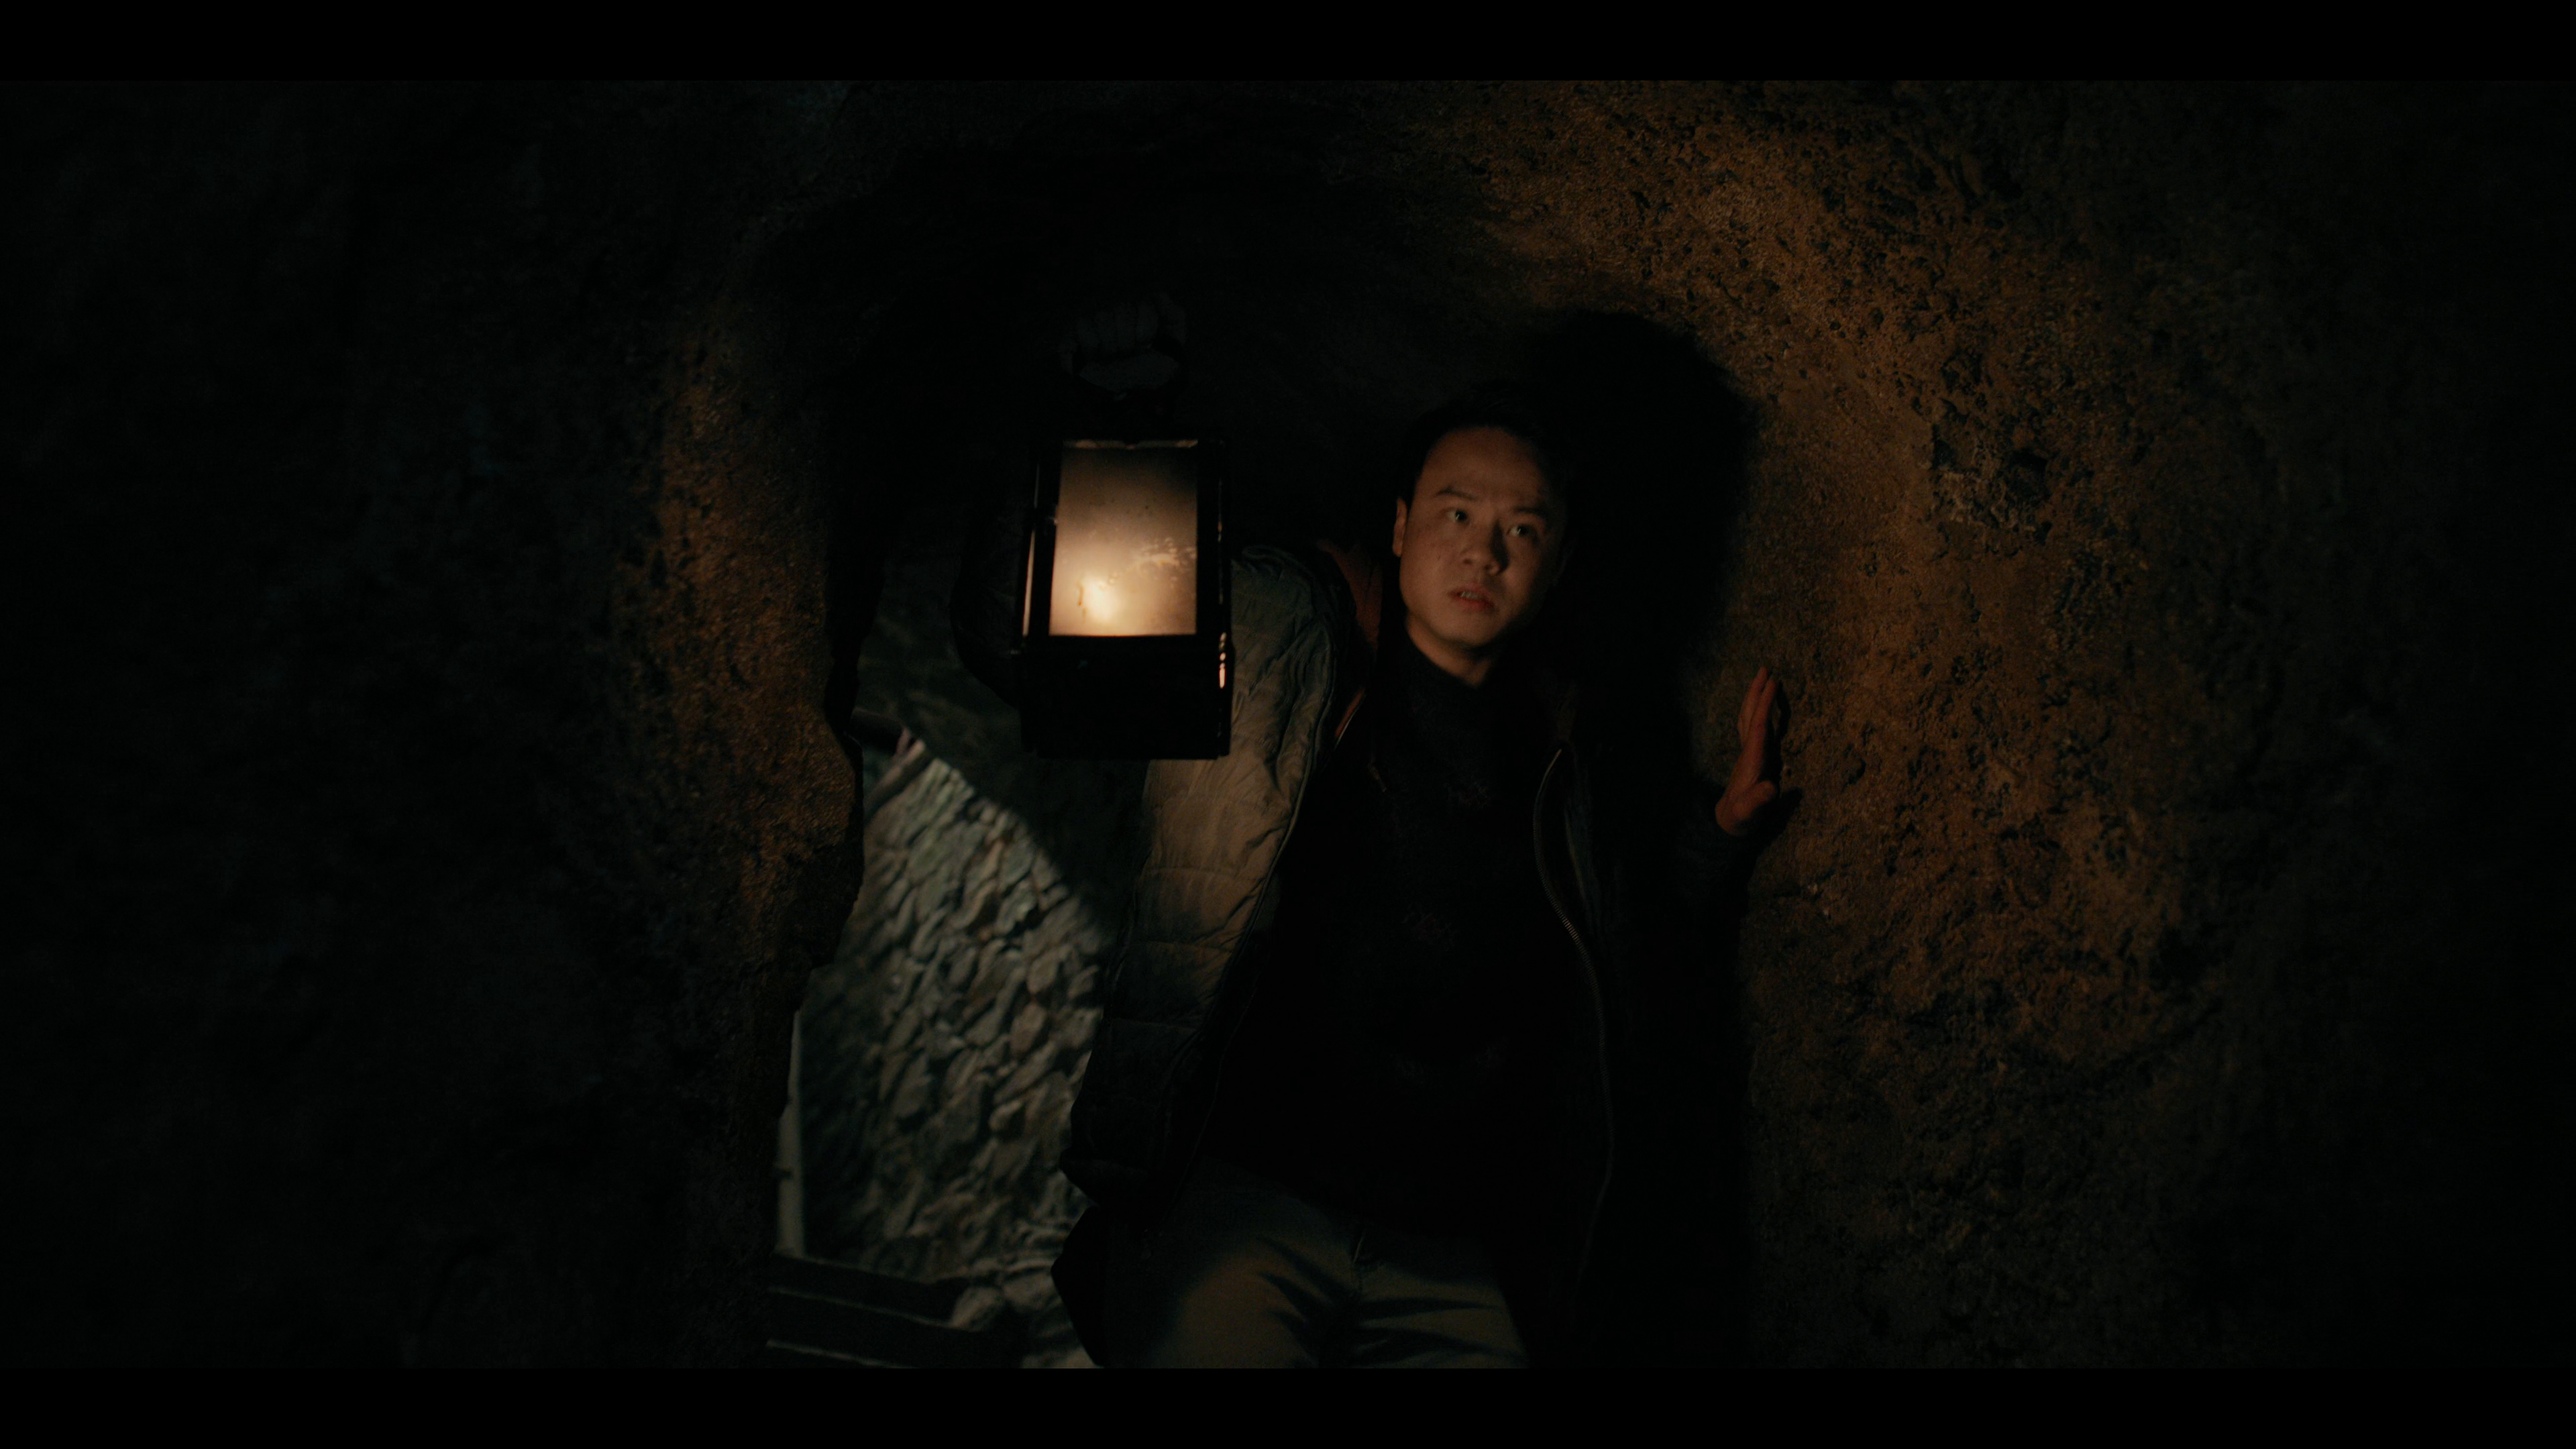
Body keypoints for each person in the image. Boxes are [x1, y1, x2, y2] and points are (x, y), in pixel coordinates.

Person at [951, 308, 1784, 1367]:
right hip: (1246, 1211)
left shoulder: (1565, 763)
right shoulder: (1277, 647)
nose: (1483, 549)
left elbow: (1627, 945)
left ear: (1560, 561)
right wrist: (1098, 426)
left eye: (1524, 530)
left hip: (1447, 1255)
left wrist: (1718, 834)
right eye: (1456, 511)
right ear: (1399, 525)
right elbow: (1013, 640)